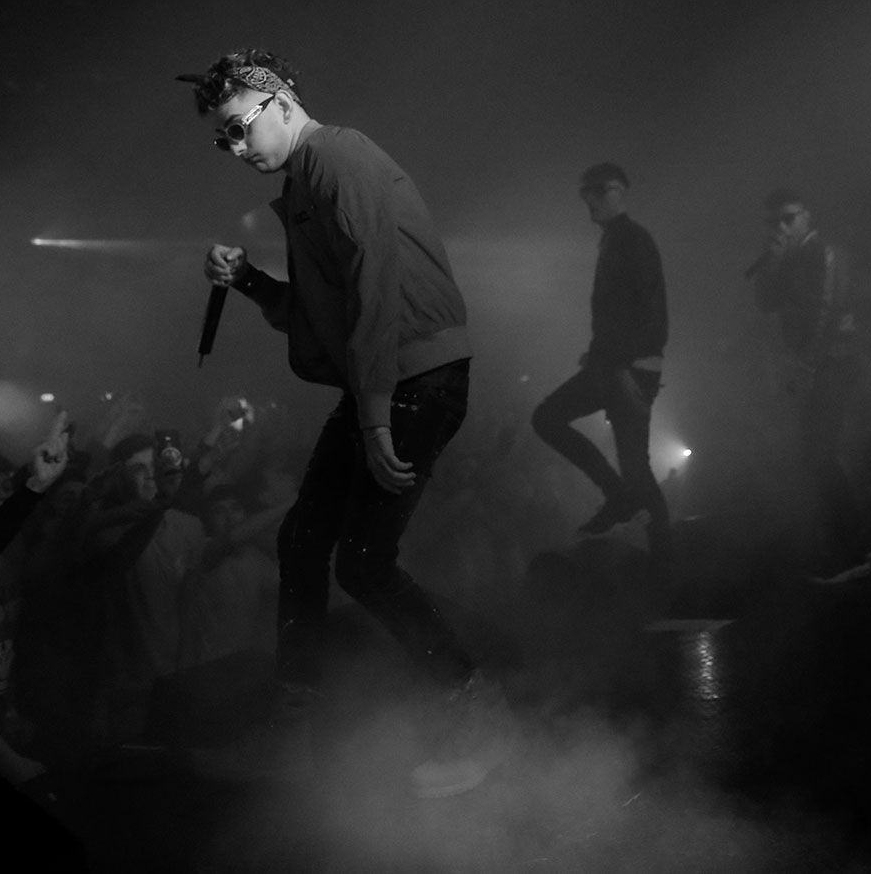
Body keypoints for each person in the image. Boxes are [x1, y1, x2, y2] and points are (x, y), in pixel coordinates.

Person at [180, 48, 494, 798]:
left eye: (238, 127)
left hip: (416, 379)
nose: (234, 148)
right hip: (386, 382)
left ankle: (474, 716)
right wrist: (247, 280)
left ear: (282, 101)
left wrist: (377, 418)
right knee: (302, 541)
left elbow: (377, 290)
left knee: (363, 562)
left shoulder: (338, 157)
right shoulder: (305, 183)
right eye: (223, 138)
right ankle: (297, 732)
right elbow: (327, 319)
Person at [531, 162, 671, 566]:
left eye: (597, 191)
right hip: (620, 367)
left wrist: (617, 359)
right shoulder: (617, 239)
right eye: (585, 192)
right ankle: (658, 552)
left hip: (626, 370)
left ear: (619, 191)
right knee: (634, 467)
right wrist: (600, 353)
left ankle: (642, 528)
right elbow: (622, 313)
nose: (589, 200)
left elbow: (653, 315)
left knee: (552, 421)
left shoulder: (632, 239)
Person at [749, 187, 868, 578]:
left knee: (820, 453)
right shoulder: (786, 258)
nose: (781, 227)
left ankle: (855, 549)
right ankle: (850, 545)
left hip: (834, 362)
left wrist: (806, 366)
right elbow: (765, 303)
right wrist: (772, 263)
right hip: (812, 366)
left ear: (807, 216)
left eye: (789, 218)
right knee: (815, 456)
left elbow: (827, 311)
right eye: (773, 221)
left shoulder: (825, 253)